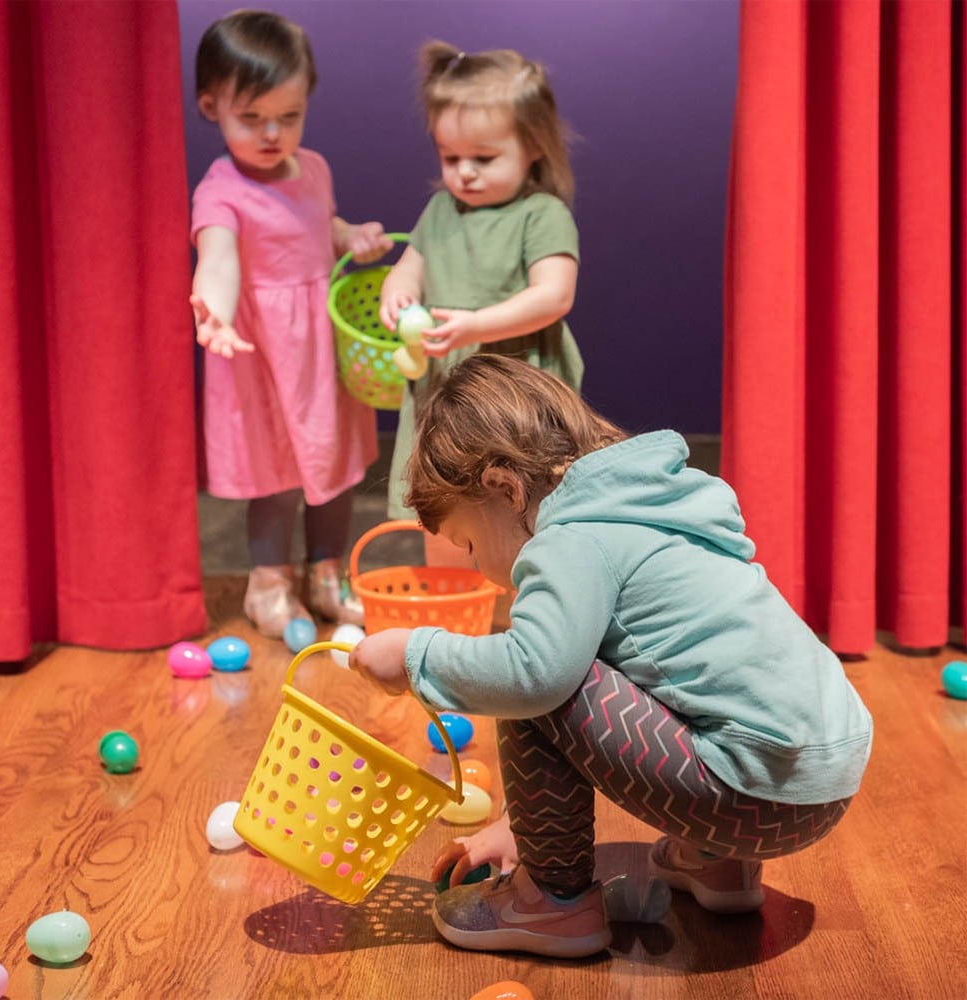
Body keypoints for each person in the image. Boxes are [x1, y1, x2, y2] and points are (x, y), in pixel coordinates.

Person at [349, 355, 873, 959]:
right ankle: (715, 863)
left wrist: (418, 656)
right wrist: (520, 827)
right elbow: (677, 668)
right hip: (823, 777)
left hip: (750, 795)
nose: (475, 565)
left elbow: (535, 677)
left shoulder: (571, 541)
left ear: (504, 489)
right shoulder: (654, 508)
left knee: (531, 672)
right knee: (629, 661)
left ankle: (552, 903)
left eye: (468, 542)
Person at [191, 10, 392, 637]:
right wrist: (212, 309)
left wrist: (349, 237)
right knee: (274, 476)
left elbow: (318, 229)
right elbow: (218, 257)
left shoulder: (315, 169)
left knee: (330, 469)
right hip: (262, 354)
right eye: (251, 118)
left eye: (290, 115)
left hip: (320, 351)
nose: (273, 132)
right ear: (211, 107)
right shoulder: (219, 190)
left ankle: (327, 574)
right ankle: (269, 583)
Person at [378, 41, 583, 568]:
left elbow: (554, 294)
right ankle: (458, 619)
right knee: (447, 507)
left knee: (522, 509)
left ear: (533, 144)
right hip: (447, 389)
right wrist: (395, 292)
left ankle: (527, 625)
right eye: (451, 157)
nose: (464, 172)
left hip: (510, 389)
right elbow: (410, 265)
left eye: (484, 158)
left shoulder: (541, 214)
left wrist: (476, 325)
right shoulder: (441, 209)